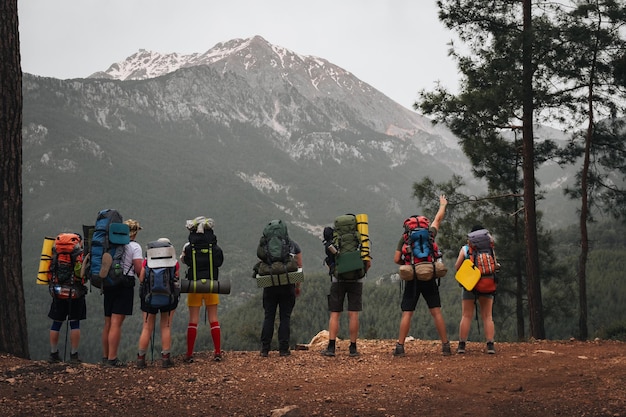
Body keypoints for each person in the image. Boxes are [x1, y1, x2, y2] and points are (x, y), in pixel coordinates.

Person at [393, 195, 451, 357]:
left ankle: (400, 347)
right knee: (436, 312)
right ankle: (445, 346)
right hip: (430, 275)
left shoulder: (404, 239)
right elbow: (438, 219)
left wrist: (409, 265)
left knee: (407, 313)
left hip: (413, 278)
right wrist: (442, 204)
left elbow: (397, 259)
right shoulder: (430, 234)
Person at [321, 224, 371, 358]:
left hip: (338, 280)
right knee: (353, 314)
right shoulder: (359, 239)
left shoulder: (336, 239)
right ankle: (353, 348)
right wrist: (361, 272)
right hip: (356, 280)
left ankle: (331, 347)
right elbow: (368, 262)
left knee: (335, 314)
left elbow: (330, 262)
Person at [180, 216, 224, 362]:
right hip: (211, 285)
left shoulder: (189, 247)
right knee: (213, 319)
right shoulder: (214, 247)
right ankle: (217, 352)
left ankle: (189, 354)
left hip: (194, 286)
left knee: (193, 320)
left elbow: (186, 261)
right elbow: (219, 262)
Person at [102, 218, 143, 367]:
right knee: (116, 323)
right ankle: (113, 359)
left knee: (108, 322)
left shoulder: (112, 244)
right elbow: (138, 269)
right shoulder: (134, 247)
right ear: (134, 232)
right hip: (124, 285)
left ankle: (105, 357)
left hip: (108, 284)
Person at [258, 221, 303, 357]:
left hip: (270, 284)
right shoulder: (292, 245)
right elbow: (299, 266)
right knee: (285, 317)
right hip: (287, 285)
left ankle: (264, 350)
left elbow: (261, 261)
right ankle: (283, 349)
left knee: (269, 317)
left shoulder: (265, 246)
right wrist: (297, 287)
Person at [136, 238, 180, 368]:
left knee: (147, 327)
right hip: (168, 298)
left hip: (149, 298)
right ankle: (166, 359)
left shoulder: (147, 261)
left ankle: (141, 359)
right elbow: (176, 278)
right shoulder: (173, 262)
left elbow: (141, 279)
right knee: (165, 326)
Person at [454, 225, 497, 354]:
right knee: (487, 316)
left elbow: (457, 266)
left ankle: (462, 345)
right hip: (487, 283)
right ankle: (490, 345)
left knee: (466, 315)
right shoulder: (489, 249)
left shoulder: (466, 249)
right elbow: (495, 265)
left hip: (470, 286)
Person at [47, 233, 86, 364]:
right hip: (75, 293)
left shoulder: (56, 253)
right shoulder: (78, 254)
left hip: (57, 292)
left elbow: (49, 271)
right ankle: (74, 355)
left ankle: (53, 353)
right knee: (74, 323)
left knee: (56, 322)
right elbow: (81, 275)